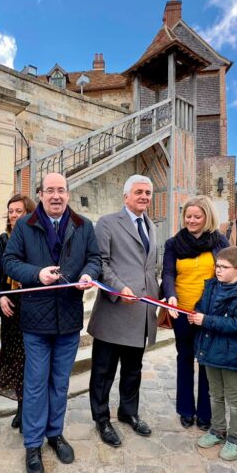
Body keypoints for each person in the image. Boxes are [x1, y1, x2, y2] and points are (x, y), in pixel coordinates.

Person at [3, 172, 101, 473]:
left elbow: (95, 259)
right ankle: (33, 444)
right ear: (41, 195)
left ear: (68, 194)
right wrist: (36, 274)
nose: (56, 196)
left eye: (61, 190)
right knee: (35, 384)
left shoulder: (84, 226)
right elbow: (9, 261)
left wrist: (88, 274)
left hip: (69, 318)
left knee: (60, 383)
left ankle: (55, 434)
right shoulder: (25, 224)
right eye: (50, 191)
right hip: (35, 319)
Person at [87, 175, 159, 447]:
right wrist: (119, 288)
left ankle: (128, 412)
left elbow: (149, 268)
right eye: (139, 192)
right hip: (115, 311)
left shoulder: (150, 226)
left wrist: (161, 301)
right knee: (104, 371)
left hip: (141, 312)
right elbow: (101, 263)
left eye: (148, 193)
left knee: (133, 369)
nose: (144, 197)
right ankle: (102, 418)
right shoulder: (108, 223)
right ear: (125, 196)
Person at [163, 196, 229, 429]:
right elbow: (168, 273)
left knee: (206, 362)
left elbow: (228, 274)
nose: (191, 220)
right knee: (185, 358)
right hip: (181, 310)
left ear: (207, 217)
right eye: (188, 216)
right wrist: (170, 294)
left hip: (210, 313)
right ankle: (185, 409)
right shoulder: (173, 243)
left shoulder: (220, 241)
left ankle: (205, 412)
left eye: (197, 217)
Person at [190, 247, 237, 461]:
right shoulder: (212, 286)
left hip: (232, 353)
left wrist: (206, 320)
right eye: (216, 266)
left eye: (223, 267)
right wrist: (195, 315)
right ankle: (218, 430)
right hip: (211, 348)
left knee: (232, 397)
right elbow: (202, 307)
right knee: (215, 393)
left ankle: (236, 439)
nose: (217, 270)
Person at [0, 193, 36, 430]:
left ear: (29, 213)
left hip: (32, 306)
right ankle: (20, 407)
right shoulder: (3, 239)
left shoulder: (37, 239)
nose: (14, 215)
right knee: (16, 359)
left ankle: (29, 408)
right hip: (12, 309)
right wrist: (2, 296)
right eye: (11, 211)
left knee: (31, 359)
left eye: (19, 210)